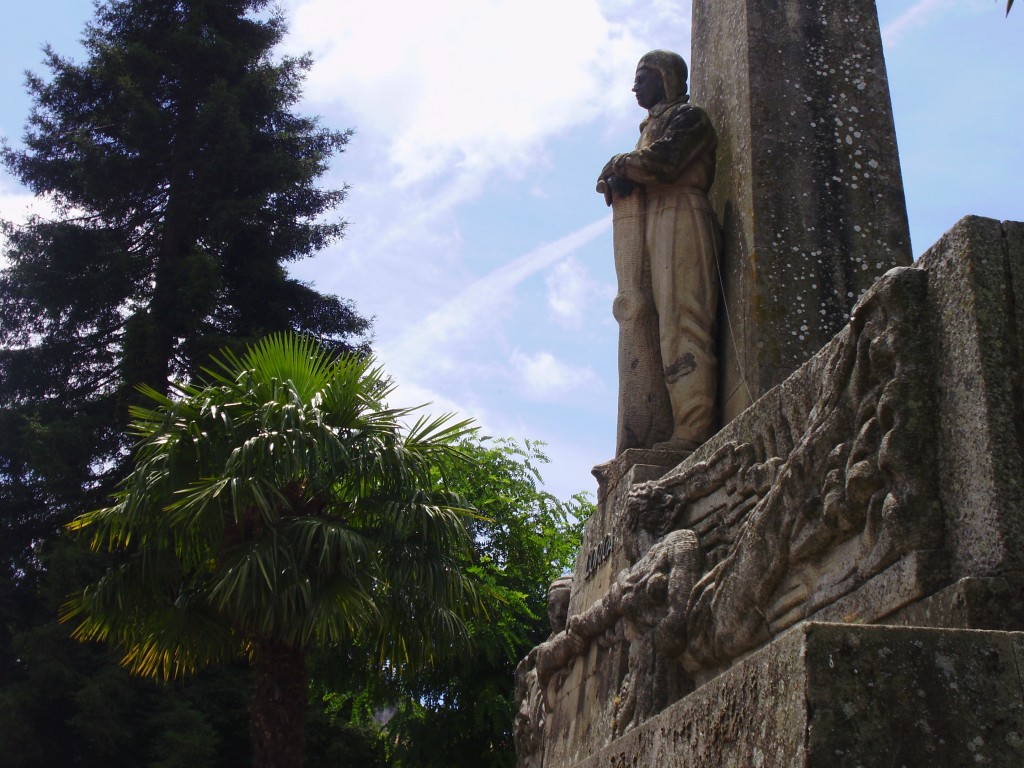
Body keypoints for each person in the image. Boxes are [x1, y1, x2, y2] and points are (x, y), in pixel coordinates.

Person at [597, 50, 721, 454]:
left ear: (665, 79)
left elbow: (665, 162)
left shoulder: (689, 119)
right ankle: (663, 427)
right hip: (652, 220)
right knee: (650, 324)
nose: (635, 87)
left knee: (684, 320)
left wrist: (621, 163)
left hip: (681, 214)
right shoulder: (650, 127)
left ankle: (694, 427)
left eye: (642, 78)